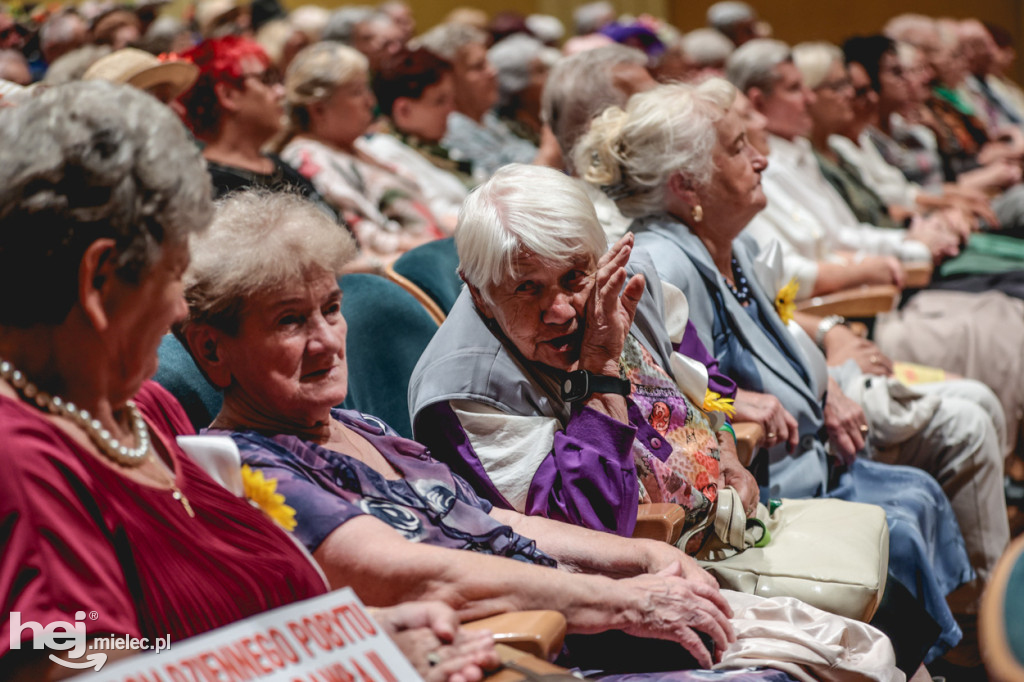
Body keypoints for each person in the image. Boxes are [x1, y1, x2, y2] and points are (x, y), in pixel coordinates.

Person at [181, 187, 896, 681]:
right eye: (287, 321)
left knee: (855, 646)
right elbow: (421, 572)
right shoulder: (256, 470)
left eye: (331, 310)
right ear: (212, 350)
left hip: (575, 604)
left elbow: (481, 516)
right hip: (530, 648)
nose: (326, 342)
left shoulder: (350, 424)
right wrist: (624, 598)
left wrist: (636, 555)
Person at [575, 77, 1007, 667]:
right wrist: (736, 406)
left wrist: (825, 370)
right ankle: (973, 643)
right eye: (737, 148)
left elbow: (777, 327)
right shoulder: (663, 260)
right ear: (687, 185)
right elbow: (677, 390)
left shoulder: (732, 239)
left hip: (809, 437)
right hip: (769, 467)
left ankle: (971, 634)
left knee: (925, 480)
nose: (763, 158)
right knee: (909, 504)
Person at [276, 41, 447, 262]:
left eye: (367, 89)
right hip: (410, 267)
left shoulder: (356, 145)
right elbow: (364, 236)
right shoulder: (307, 158)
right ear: (318, 109)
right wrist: (442, 248)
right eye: (356, 92)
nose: (370, 101)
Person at [366, 47, 471, 224]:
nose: (451, 109)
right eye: (440, 101)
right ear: (404, 111)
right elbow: (444, 219)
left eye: (451, 99)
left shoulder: (431, 144)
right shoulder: (385, 153)